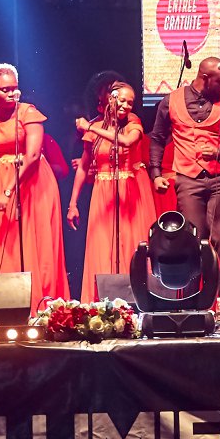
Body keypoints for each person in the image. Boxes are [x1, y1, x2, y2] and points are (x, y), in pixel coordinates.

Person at [0, 64, 68, 306]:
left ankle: (39, 302)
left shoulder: (28, 112)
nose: (12, 93)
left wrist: (8, 191)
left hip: (31, 181)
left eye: (15, 88)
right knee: (2, 241)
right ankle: (2, 303)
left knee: (33, 241)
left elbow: (33, 156)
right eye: (5, 89)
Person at [148, 57, 220, 304]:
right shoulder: (171, 101)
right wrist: (156, 173)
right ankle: (192, 299)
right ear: (205, 78)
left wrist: (219, 153)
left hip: (219, 178)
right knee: (192, 237)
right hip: (188, 179)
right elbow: (157, 138)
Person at [71, 80, 155, 303]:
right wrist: (73, 203)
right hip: (102, 192)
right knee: (102, 245)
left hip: (128, 191)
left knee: (128, 244)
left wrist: (90, 128)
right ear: (110, 99)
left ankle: (134, 300)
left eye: (131, 102)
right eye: (123, 100)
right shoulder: (96, 126)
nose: (127, 106)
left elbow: (127, 141)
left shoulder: (131, 122)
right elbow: (83, 167)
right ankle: (102, 302)